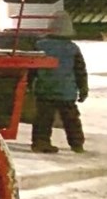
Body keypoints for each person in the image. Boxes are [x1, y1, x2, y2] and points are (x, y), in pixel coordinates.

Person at [30, 13, 87, 154]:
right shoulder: (73, 49)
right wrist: (83, 89)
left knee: (43, 119)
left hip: (45, 89)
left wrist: (29, 85)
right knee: (71, 120)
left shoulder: (39, 45)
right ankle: (77, 144)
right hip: (66, 91)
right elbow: (80, 71)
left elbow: (32, 69)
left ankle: (40, 142)